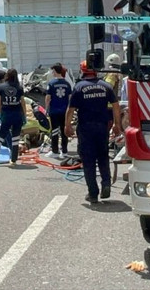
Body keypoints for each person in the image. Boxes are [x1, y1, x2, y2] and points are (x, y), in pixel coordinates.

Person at [65, 61, 121, 203]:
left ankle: (93, 193)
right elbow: (115, 106)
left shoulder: (79, 87)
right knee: (103, 157)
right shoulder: (105, 86)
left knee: (88, 160)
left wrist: (67, 126)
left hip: (86, 128)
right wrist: (117, 124)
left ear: (82, 71)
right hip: (102, 127)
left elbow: (71, 110)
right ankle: (106, 183)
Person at [0, 69, 27, 166]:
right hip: (17, 115)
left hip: (6, 115)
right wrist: (24, 115)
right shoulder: (19, 88)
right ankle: (13, 160)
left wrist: (0, 114)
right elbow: (23, 103)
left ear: (7, 75)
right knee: (15, 139)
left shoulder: (1, 87)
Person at [45, 63, 72, 159]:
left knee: (55, 131)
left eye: (52, 71)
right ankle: (64, 151)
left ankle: (55, 151)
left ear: (55, 71)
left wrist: (46, 109)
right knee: (64, 131)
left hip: (54, 111)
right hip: (65, 111)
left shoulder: (51, 83)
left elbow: (48, 98)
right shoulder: (67, 84)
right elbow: (70, 98)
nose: (52, 72)